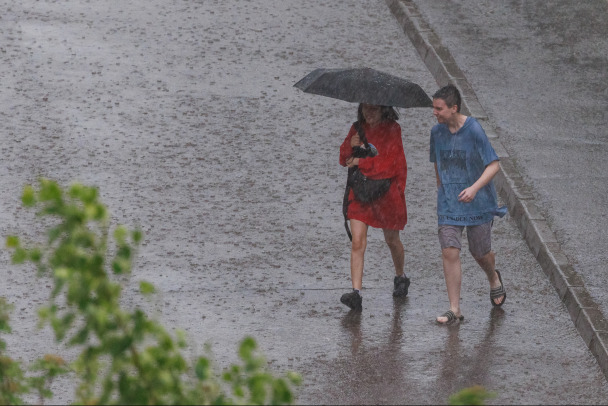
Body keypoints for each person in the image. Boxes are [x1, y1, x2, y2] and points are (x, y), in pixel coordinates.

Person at [430, 84, 507, 324]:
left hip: (478, 203)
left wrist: (474, 188)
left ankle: (493, 277)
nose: (435, 113)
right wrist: (443, 190)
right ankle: (455, 308)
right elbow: (437, 162)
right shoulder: (436, 132)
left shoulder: (474, 130)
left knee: (479, 252)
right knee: (449, 250)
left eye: (439, 108)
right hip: (450, 205)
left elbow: (494, 164)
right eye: (433, 108)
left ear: (454, 108)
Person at [338, 103, 410, 311]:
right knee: (358, 242)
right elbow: (344, 159)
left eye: (374, 109)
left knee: (392, 240)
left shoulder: (393, 130)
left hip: (386, 194)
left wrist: (361, 162)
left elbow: (390, 165)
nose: (369, 113)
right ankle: (356, 293)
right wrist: (350, 146)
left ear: (383, 110)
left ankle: (400, 276)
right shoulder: (357, 129)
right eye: (365, 108)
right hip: (361, 194)